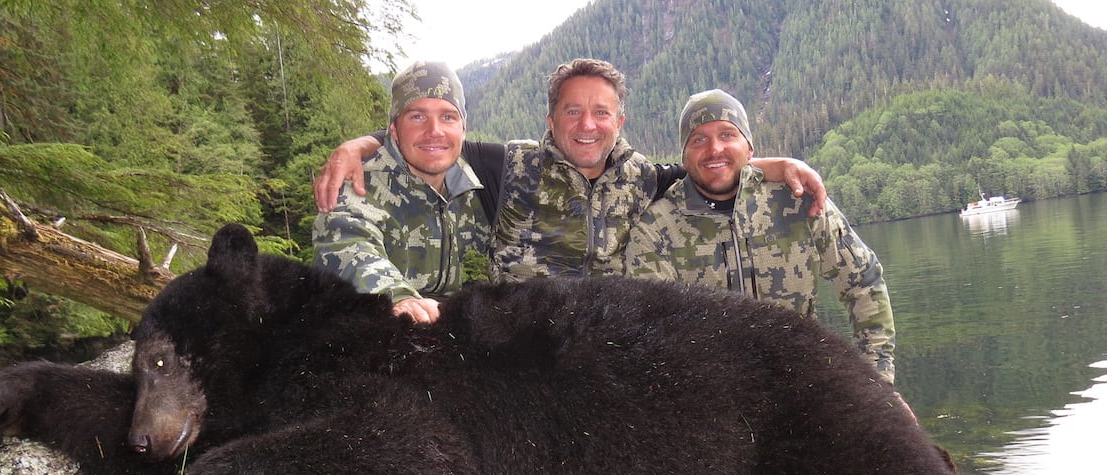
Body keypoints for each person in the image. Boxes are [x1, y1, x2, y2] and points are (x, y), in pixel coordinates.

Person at [314, 58, 828, 282]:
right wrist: (360, 145)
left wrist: (779, 164)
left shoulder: (643, 177)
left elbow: (709, 163)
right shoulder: (509, 165)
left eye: (601, 112)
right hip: (522, 352)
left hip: (608, 349)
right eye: (573, 111)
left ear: (618, 120)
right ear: (551, 119)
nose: (588, 124)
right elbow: (432, 140)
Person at [624, 89, 898, 382]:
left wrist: (878, 382)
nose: (715, 149)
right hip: (713, 400)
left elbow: (863, 282)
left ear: (749, 148)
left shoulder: (797, 199)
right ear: (685, 157)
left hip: (806, 387)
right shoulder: (656, 229)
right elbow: (652, 333)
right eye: (698, 139)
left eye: (728, 135)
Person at [311, 61, 492, 324]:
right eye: (417, 116)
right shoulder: (359, 183)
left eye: (448, 117)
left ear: (463, 129)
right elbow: (347, 246)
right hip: (381, 330)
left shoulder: (473, 188)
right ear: (394, 130)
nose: (434, 131)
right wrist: (398, 297)